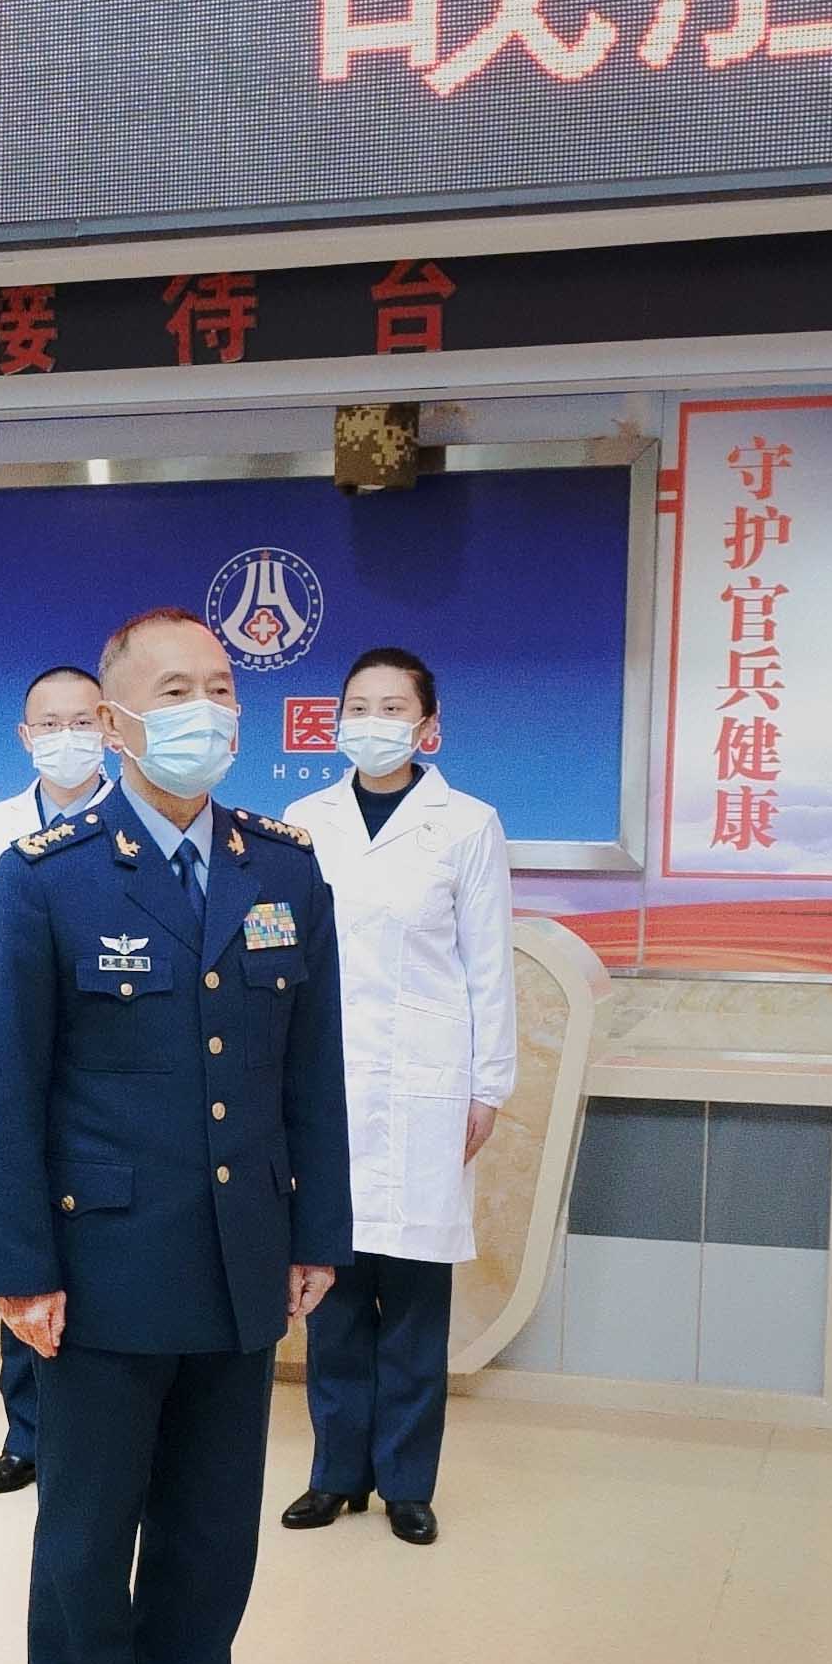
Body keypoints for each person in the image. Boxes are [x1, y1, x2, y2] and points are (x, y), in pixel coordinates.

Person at [0, 608, 351, 1664]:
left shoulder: (280, 866)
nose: (208, 712)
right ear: (117, 718)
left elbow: (313, 1070)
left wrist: (316, 1231)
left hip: (244, 1253)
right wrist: (21, 1266)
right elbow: (5, 1086)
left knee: (211, 1524)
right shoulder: (48, 875)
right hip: (104, 1263)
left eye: (222, 687)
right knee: (89, 1526)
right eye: (176, 690)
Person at [278, 649, 515, 1547]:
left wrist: (487, 1087)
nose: (371, 722)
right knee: (331, 1283)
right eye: (357, 706)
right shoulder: (305, 822)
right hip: (325, 1081)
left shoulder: (468, 824)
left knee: (414, 1292)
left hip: (426, 1083)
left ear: (429, 727)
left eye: (392, 707)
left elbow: (488, 966)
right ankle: (336, 1474)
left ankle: (408, 1484)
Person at [0, 664, 111, 1497]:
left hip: (103, 1076)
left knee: (101, 1257)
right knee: (20, 1241)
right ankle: (27, 1435)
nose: (65, 738)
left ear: (110, 728)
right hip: (13, 1072)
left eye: (82, 721)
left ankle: (96, 1440)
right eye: (49, 724)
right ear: (23, 736)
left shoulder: (135, 822)